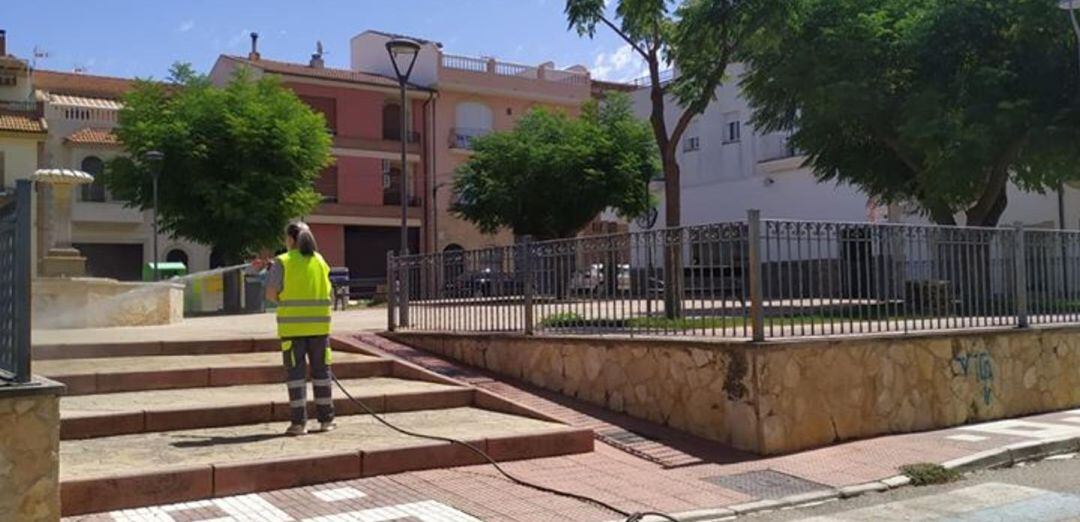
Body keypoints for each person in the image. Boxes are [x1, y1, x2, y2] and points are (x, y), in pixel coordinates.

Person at [256, 222, 336, 436]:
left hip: (293, 330)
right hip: (320, 328)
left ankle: (299, 424)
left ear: (291, 239)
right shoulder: (320, 261)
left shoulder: (283, 261)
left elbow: (271, 294)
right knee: (322, 374)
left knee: (296, 376)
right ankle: (326, 420)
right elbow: (329, 294)